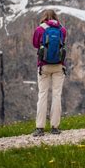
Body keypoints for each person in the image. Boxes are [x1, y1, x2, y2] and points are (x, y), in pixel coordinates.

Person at [32, 9, 67, 137]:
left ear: (44, 17)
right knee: (57, 95)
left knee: (42, 95)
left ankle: (40, 128)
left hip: (44, 66)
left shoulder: (40, 29)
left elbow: (35, 44)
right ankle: (54, 127)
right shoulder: (62, 29)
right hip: (59, 65)